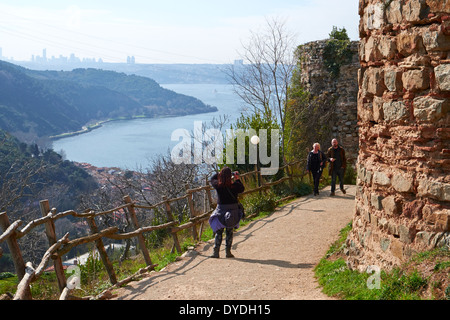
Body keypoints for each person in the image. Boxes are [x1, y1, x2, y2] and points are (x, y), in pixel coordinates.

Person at [208, 167, 245, 258]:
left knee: (219, 232)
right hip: (233, 211)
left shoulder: (218, 186)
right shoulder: (235, 186)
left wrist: (220, 174)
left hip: (221, 211)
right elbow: (242, 188)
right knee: (229, 231)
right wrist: (237, 178)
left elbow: (212, 179)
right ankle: (228, 252)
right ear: (230, 176)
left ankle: (216, 252)